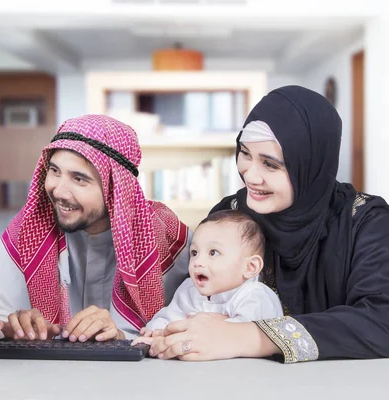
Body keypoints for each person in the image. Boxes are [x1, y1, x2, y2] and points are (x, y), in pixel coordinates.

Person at [147, 85, 389, 363]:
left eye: (271, 165)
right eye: (245, 154)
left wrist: (251, 336)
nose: (251, 176)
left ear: (310, 166)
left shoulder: (366, 222)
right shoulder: (231, 215)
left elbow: (382, 319)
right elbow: (194, 302)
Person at [0, 114, 191, 342]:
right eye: (54, 171)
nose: (58, 191)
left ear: (115, 188)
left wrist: (121, 335)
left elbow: (196, 324)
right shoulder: (29, 228)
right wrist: (11, 329)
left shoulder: (164, 234)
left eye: (79, 179)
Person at [132, 210, 283, 346]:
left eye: (213, 253)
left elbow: (242, 333)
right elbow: (170, 317)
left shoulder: (255, 296)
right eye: (194, 253)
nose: (198, 262)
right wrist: (156, 331)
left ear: (250, 267)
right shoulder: (189, 290)